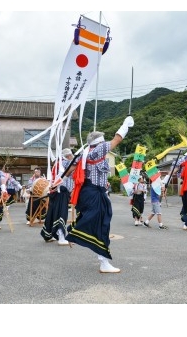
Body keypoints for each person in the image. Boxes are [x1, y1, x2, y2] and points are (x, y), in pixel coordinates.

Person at [66, 115, 134, 273]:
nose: (106, 144)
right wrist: (126, 125)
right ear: (99, 141)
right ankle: (75, 234)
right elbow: (117, 140)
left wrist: (56, 182)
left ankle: (101, 259)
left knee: (101, 223)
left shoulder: (85, 153)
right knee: (102, 224)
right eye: (103, 141)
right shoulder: (99, 148)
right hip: (94, 193)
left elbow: (70, 170)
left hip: (92, 191)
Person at [40, 148, 75, 245]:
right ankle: (61, 236)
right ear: (68, 156)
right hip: (61, 192)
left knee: (53, 213)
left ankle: (48, 234)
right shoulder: (66, 163)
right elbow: (74, 167)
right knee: (61, 213)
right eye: (71, 155)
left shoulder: (57, 164)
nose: (72, 157)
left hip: (55, 191)